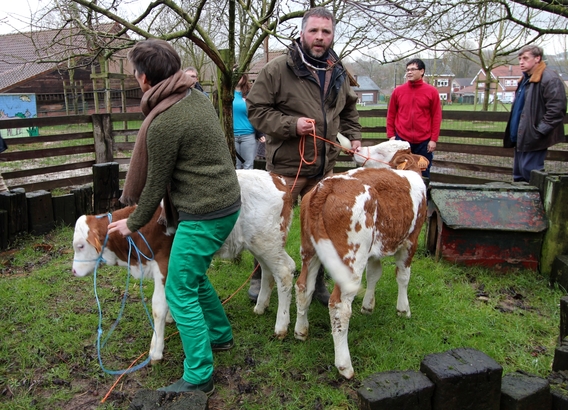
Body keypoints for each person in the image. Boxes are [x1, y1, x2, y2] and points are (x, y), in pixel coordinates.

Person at [108, 39, 241, 395]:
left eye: (135, 73)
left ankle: (199, 376)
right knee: (191, 276)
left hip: (205, 212)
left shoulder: (165, 120)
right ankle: (220, 335)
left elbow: (154, 186)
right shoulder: (194, 95)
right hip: (222, 203)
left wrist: (132, 222)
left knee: (178, 288)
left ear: (144, 78)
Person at [247, 7, 362, 304]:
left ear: (333, 35)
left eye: (326, 32)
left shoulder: (338, 71)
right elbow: (256, 111)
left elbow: (348, 110)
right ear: (302, 33)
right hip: (287, 167)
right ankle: (261, 277)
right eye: (314, 31)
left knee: (320, 227)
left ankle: (316, 279)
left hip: (325, 168)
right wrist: (291, 125)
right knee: (272, 226)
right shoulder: (277, 69)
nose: (320, 37)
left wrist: (355, 137)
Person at [504, 45, 567, 182]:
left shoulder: (549, 79)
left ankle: (537, 203)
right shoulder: (525, 79)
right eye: (520, 58)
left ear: (537, 58)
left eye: (525, 58)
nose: (521, 62)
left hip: (534, 137)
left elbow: (557, 109)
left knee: (531, 176)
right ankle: (521, 203)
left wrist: (539, 131)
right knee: (519, 176)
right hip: (521, 136)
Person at [386, 58, 442, 179]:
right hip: (402, 140)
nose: (409, 72)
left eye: (413, 69)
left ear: (422, 71)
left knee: (423, 169)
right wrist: (391, 135)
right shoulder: (398, 91)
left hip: (424, 141)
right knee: (402, 170)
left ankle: (424, 195)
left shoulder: (431, 92)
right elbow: (391, 114)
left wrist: (433, 139)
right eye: (407, 70)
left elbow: (436, 116)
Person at [233, 72, 258, 170]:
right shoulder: (224, 94)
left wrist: (260, 133)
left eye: (239, 75)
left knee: (248, 166)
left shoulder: (250, 94)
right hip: (232, 135)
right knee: (235, 166)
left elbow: (257, 114)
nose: (237, 78)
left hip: (248, 134)